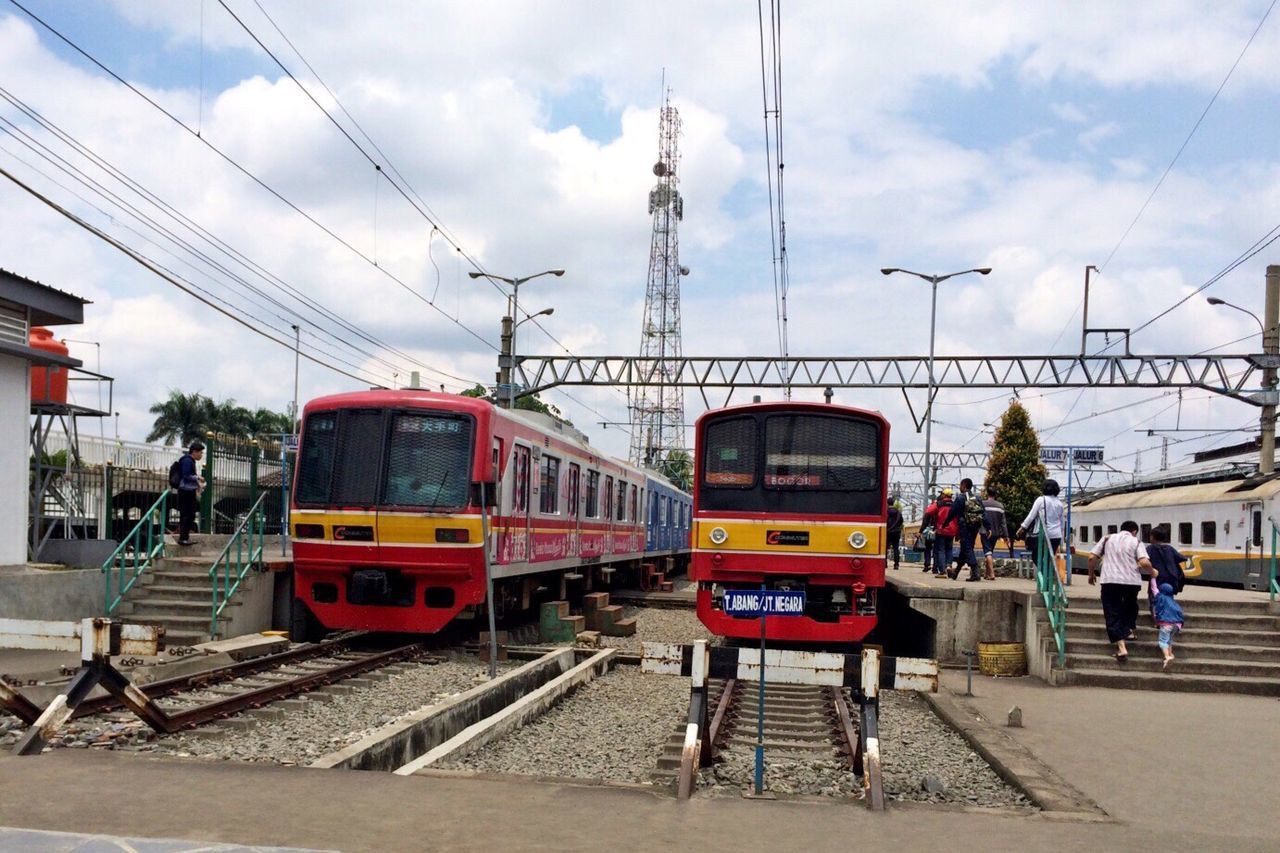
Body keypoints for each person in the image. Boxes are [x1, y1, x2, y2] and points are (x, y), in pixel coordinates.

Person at [1086, 519, 1154, 661]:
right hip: (1131, 582)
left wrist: (1091, 574)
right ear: (1134, 531)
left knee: (1112, 612)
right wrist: (1153, 572)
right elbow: (1144, 561)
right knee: (1130, 605)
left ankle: (1122, 647)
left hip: (1110, 581)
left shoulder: (1107, 539)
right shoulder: (1136, 542)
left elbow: (1092, 557)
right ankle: (1128, 631)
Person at [1016, 478, 1065, 568]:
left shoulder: (1041, 500)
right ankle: (1048, 577)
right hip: (1056, 536)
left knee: (1036, 557)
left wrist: (1022, 528)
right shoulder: (1060, 503)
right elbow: (1062, 523)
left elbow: (1031, 516)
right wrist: (1062, 540)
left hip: (1044, 534)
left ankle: (1044, 576)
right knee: (1048, 558)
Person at [952, 477, 987, 582]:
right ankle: (956, 572)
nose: (959, 487)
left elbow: (953, 512)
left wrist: (946, 523)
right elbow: (983, 513)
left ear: (964, 486)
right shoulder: (977, 498)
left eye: (960, 485)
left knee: (967, 548)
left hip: (964, 526)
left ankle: (975, 572)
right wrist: (987, 526)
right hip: (975, 526)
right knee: (966, 548)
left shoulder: (960, 498)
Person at [175, 440, 205, 546]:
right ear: (194, 452)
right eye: (200, 452)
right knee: (188, 514)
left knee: (188, 515)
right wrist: (198, 477)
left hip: (188, 490)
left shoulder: (189, 461)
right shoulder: (187, 461)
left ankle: (185, 537)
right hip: (186, 491)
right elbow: (186, 475)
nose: (201, 455)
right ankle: (183, 538)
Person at [1152, 582, 1185, 671]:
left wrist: (1153, 578)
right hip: (1177, 624)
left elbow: (1154, 589)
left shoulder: (1160, 597)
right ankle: (1170, 654)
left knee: (1163, 641)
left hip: (1167, 623)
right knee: (1169, 640)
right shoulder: (1173, 601)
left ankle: (1167, 657)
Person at [1145, 527, 1187, 594]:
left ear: (1152, 537)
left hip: (1157, 578)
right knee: (1168, 598)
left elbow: (1144, 560)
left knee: (1155, 598)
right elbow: (1182, 558)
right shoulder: (1169, 548)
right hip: (1171, 580)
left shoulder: (1150, 548)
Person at [981, 485, 1009, 581]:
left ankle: (992, 574)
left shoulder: (983, 504)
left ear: (987, 493)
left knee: (987, 552)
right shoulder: (1000, 506)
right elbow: (1003, 523)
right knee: (989, 552)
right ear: (995, 494)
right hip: (996, 533)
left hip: (985, 531)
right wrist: (1006, 535)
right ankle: (986, 573)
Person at [933, 488, 959, 578]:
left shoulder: (939, 504)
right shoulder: (955, 504)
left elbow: (929, 511)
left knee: (941, 550)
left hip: (941, 529)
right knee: (949, 549)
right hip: (952, 531)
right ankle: (948, 566)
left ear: (944, 495)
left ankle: (942, 571)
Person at [921, 492, 939, 574]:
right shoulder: (940, 511)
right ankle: (935, 567)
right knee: (936, 550)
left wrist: (921, 531)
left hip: (929, 532)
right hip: (937, 531)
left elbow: (925, 522)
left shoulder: (930, 510)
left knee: (927, 549)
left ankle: (927, 564)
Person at [886, 496, 903, 570]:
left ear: (887, 503)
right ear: (893, 503)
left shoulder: (886, 512)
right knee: (896, 548)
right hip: (896, 532)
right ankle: (896, 564)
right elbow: (901, 521)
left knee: (885, 548)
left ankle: (884, 563)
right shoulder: (898, 512)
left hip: (887, 532)